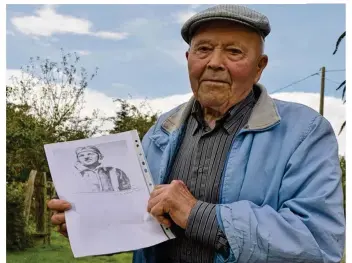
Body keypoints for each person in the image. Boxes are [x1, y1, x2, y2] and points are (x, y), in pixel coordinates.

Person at [47, 4, 345, 263]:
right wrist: (90, 223)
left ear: (259, 67)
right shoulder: (161, 130)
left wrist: (198, 215)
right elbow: (138, 222)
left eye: (234, 51)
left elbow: (319, 241)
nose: (215, 62)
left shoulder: (304, 132)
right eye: (204, 49)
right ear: (189, 58)